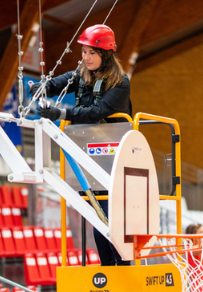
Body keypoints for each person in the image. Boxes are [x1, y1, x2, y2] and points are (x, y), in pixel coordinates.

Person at [30, 24, 132, 266]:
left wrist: (60, 112)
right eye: (84, 52)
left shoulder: (120, 83)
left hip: (113, 156)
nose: (86, 57)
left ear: (105, 54)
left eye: (91, 53)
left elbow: (97, 111)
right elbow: (57, 84)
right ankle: (110, 269)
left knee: (109, 217)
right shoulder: (81, 74)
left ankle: (123, 267)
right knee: (98, 218)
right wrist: (41, 88)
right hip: (90, 152)